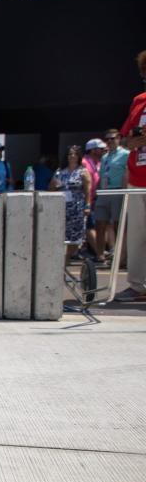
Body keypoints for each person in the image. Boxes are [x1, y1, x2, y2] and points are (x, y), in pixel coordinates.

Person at [115, 50, 146, 302]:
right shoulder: (138, 101)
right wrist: (133, 141)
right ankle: (138, 286)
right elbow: (124, 137)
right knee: (137, 234)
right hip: (137, 177)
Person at [49, 145, 92, 262]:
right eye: (70, 154)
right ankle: (60, 260)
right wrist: (54, 185)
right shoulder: (59, 172)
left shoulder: (83, 172)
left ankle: (66, 259)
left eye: (75, 154)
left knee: (75, 237)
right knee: (61, 234)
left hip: (76, 207)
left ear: (79, 156)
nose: (72, 156)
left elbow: (88, 190)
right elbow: (51, 188)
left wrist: (88, 206)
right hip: (62, 207)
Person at [94, 129, 129, 264]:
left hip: (118, 191)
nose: (109, 141)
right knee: (99, 223)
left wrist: (125, 192)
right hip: (104, 191)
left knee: (117, 224)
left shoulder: (126, 154)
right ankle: (100, 255)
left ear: (119, 138)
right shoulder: (105, 156)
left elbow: (127, 173)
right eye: (107, 139)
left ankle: (121, 256)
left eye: (112, 138)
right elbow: (102, 175)